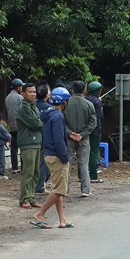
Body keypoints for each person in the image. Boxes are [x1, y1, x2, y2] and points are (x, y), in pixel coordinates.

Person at [31, 87, 74, 229]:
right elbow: (58, 139)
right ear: (65, 101)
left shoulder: (48, 114)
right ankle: (40, 213)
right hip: (57, 156)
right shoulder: (58, 116)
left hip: (49, 154)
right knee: (61, 190)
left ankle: (62, 219)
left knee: (57, 188)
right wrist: (65, 157)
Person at [65, 81, 97, 198]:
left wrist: (70, 133)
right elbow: (93, 123)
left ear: (72, 90)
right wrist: (82, 134)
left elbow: (61, 121)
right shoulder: (89, 104)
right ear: (84, 90)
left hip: (69, 138)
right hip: (84, 139)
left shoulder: (66, 104)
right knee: (83, 164)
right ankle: (85, 190)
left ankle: (65, 190)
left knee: (67, 164)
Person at [85, 82, 104, 184]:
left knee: (82, 153)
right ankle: (93, 176)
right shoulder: (97, 101)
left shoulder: (84, 99)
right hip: (95, 130)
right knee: (93, 152)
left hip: (83, 130)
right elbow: (100, 116)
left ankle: (81, 175)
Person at [34, 84, 53, 194]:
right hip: (44, 137)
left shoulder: (32, 106)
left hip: (32, 137)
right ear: (47, 95)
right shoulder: (49, 108)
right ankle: (40, 186)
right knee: (42, 162)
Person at [5, 78, 24, 174]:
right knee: (23, 146)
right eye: (21, 86)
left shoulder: (8, 97)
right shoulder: (19, 97)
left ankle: (14, 167)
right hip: (20, 125)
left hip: (11, 125)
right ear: (18, 87)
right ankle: (23, 168)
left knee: (14, 148)